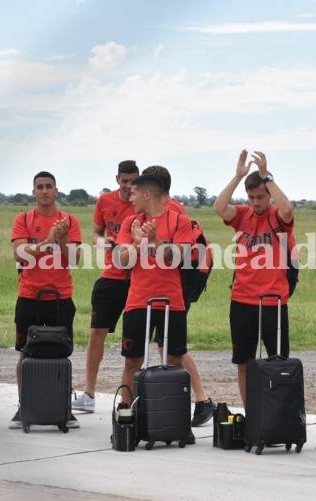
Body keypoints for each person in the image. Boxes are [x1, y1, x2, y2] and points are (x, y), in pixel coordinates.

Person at [115, 174, 198, 438]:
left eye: (135, 193)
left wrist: (157, 242)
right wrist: (139, 244)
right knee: (132, 361)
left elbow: (180, 259)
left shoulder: (179, 221)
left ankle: (173, 416)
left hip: (171, 301)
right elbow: (121, 261)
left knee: (174, 360)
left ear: (147, 195)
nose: (131, 197)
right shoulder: (130, 222)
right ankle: (125, 416)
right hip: (138, 300)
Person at [213, 150, 295, 407]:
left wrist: (266, 176)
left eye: (260, 197)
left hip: (272, 301)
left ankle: (278, 415)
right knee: (244, 363)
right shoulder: (242, 215)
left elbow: (288, 209)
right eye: (251, 198)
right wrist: (238, 176)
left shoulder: (277, 218)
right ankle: (252, 416)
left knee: (278, 363)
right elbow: (219, 207)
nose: (256, 202)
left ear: (269, 195)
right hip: (242, 299)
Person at [139, 165, 216, 427]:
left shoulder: (170, 212)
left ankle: (199, 399)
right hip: (183, 279)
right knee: (167, 345)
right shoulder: (172, 207)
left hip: (177, 283)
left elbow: (171, 254)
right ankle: (194, 399)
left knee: (173, 346)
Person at [10, 171, 82, 429]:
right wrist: (48, 240)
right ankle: (24, 406)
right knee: (24, 353)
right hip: (30, 295)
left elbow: (74, 259)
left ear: (56, 190)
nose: (44, 191)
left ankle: (63, 407)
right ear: (33, 192)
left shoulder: (69, 220)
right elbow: (19, 255)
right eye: (39, 187)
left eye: (48, 186)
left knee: (61, 353)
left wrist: (62, 238)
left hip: (61, 296)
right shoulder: (24, 219)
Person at [72, 160, 138, 413]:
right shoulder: (105, 201)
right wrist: (103, 243)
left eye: (133, 182)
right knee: (96, 333)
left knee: (135, 342)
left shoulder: (144, 203)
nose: (129, 187)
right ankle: (89, 393)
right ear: (117, 179)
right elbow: (95, 233)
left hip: (137, 280)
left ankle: (130, 396)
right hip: (111, 275)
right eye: (124, 182)